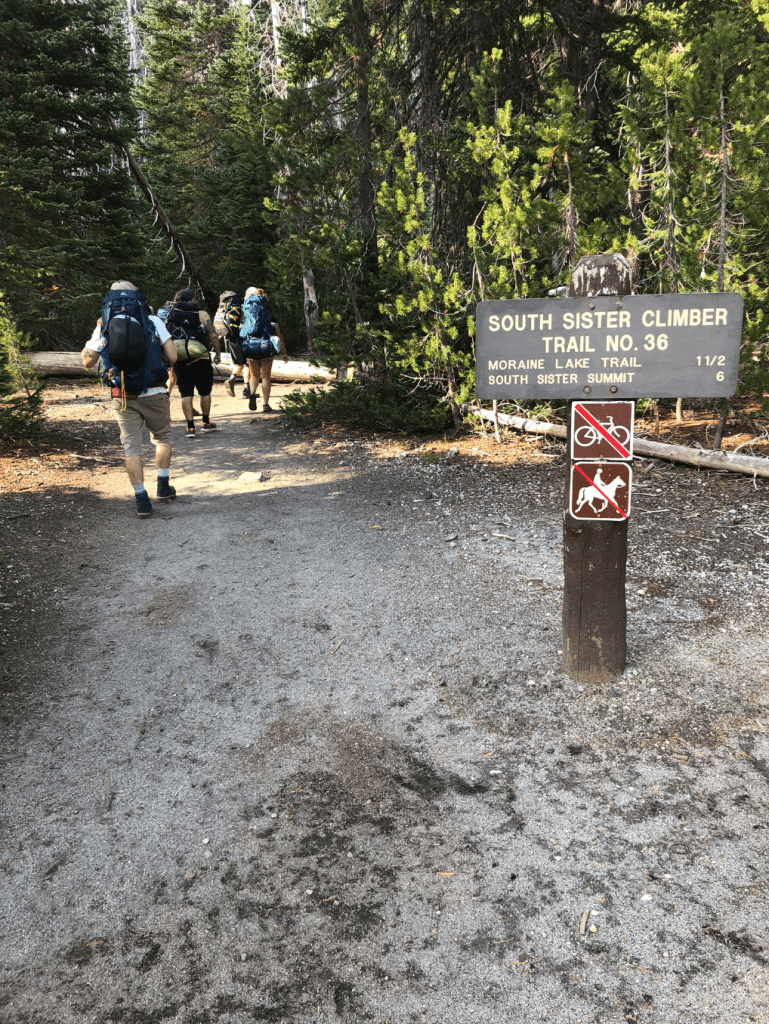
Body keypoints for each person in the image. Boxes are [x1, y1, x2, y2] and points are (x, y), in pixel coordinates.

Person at [81, 280, 177, 519]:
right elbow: (173, 355)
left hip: (122, 395)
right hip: (154, 391)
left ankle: (141, 499)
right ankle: (163, 487)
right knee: (162, 437)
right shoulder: (153, 321)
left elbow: (87, 361)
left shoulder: (105, 323)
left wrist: (99, 335)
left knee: (131, 448)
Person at [164, 288, 221, 438]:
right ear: (193, 300)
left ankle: (190, 427)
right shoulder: (201, 314)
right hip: (200, 357)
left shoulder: (170, 314)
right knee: (204, 391)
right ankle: (205, 422)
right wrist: (218, 353)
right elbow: (213, 334)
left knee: (186, 393)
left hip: (180, 358)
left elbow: (164, 336)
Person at [238, 287, 288, 412]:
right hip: (266, 347)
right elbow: (279, 335)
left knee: (254, 375)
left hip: (251, 347)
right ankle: (265, 404)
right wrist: (284, 353)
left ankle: (253, 393)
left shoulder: (247, 318)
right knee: (265, 377)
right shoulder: (269, 315)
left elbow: (241, 335)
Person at [214, 291, 247, 397]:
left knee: (239, 363)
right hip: (239, 336)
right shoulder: (239, 302)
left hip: (228, 336)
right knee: (248, 364)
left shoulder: (224, 303)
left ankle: (233, 379)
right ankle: (246, 389)